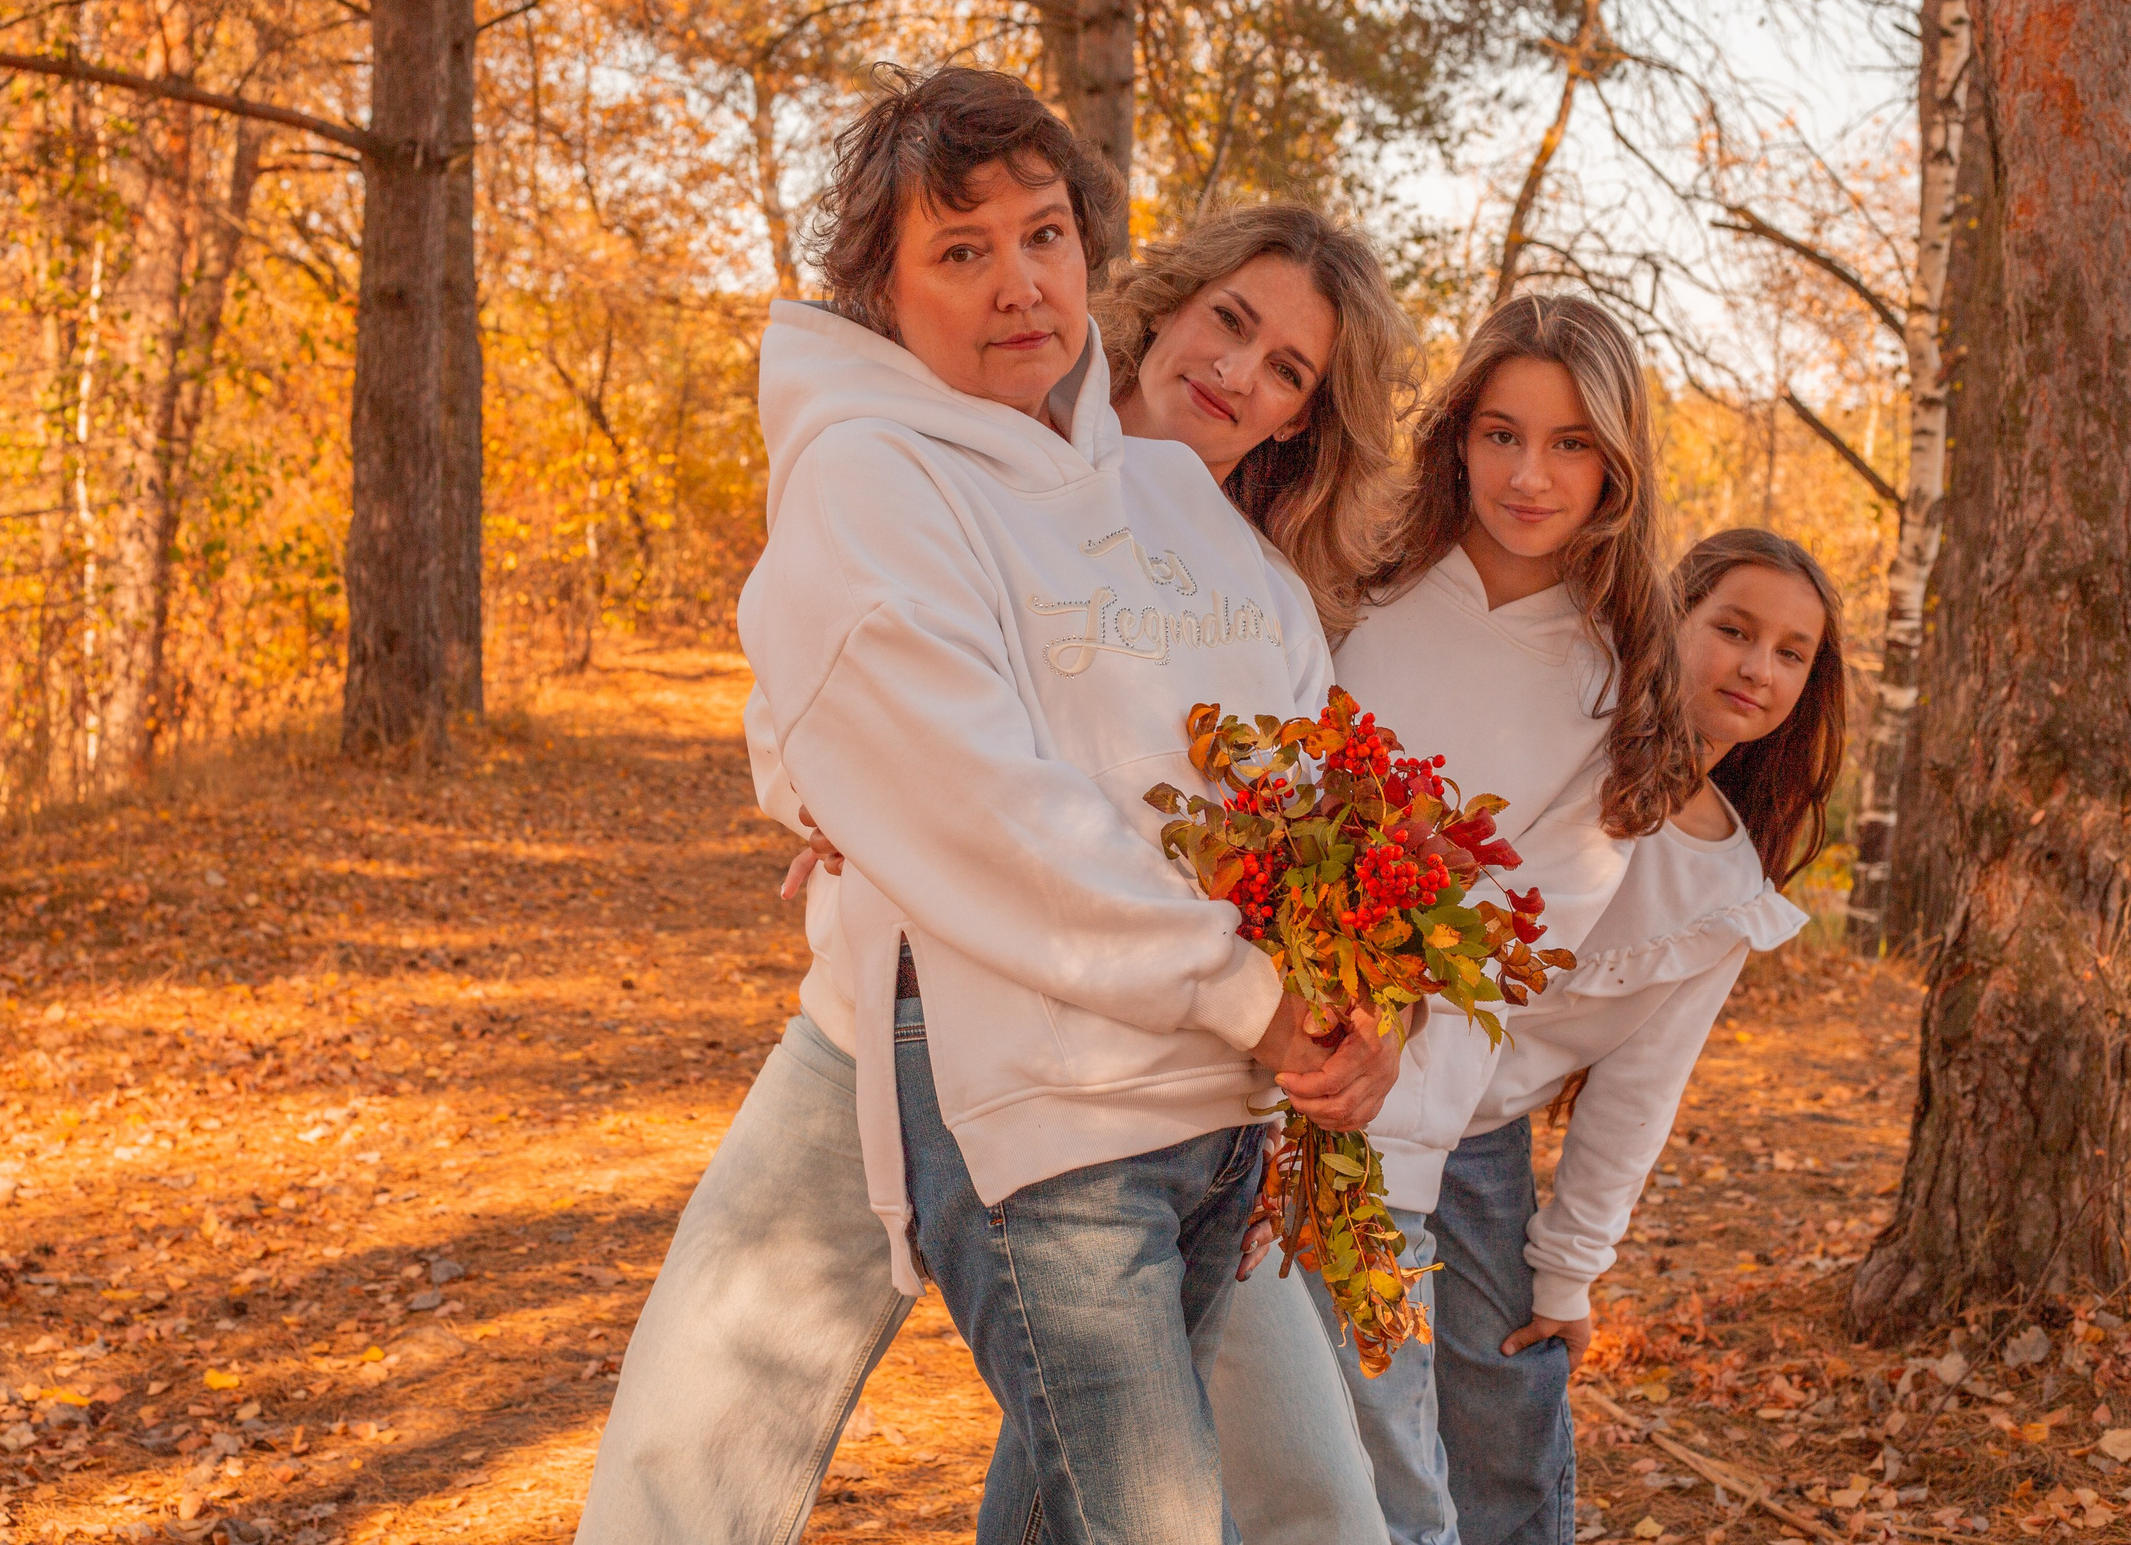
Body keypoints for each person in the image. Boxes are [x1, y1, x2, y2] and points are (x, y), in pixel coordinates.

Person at [573, 76, 1414, 1545]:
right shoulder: (886, 467)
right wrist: (834, 788)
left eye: (1042, 237)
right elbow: (933, 763)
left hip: (1181, 1072)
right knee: (695, 1451)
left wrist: (1352, 997)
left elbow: (1294, 814)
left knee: (1289, 1496)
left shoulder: (1213, 542)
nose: (1019, 280)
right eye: (963, 250)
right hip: (910, 1020)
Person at [1217, 292, 1701, 1545]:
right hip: (1217, 1038)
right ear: (1457, 439)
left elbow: (1511, 929)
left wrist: (1379, 986)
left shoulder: (1616, 681)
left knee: (1382, 1472)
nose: (1529, 476)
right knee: (1221, 1449)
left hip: (1393, 1097)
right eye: (1500, 434)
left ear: (1619, 463)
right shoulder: (1363, 575)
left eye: (1570, 444)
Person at [1418, 527, 1846, 1545]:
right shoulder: (1556, 738)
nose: (1756, 667)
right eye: (1732, 631)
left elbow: (1636, 1094)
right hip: (1337, 1093)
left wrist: (1568, 1272)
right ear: (1671, 619)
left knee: (1502, 1425)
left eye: (1790, 653)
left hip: (1474, 1150)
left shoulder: (1725, 888)